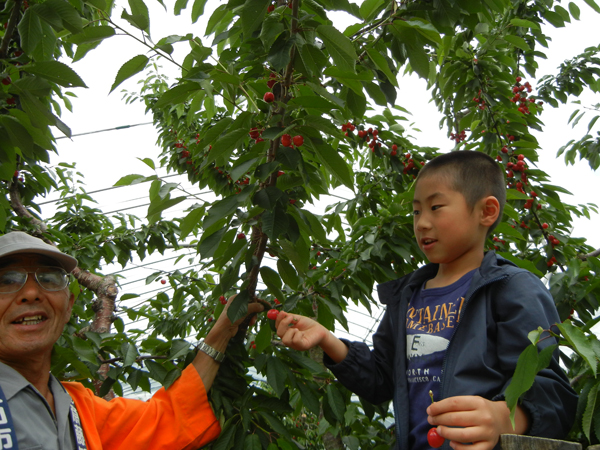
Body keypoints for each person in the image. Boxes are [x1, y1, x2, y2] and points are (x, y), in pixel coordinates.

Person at [275, 151, 578, 450]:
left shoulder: (511, 288)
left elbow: (552, 392)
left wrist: (506, 418)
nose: (421, 223)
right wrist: (328, 340)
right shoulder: (409, 296)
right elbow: (382, 379)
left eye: (436, 207)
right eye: (417, 211)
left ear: (486, 211)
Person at [0, 230, 263, 450]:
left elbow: (164, 420)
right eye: (7, 280)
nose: (32, 292)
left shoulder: (77, 407)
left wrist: (222, 332)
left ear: (69, 305)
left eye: (49, 278)